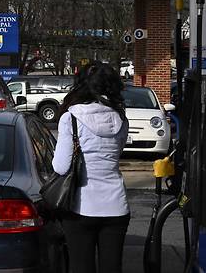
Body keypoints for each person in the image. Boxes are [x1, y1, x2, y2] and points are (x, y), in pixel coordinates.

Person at [52, 62, 129, 273]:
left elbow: (61, 167)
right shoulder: (121, 119)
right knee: (112, 267)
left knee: (80, 266)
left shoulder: (71, 118)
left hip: (81, 205)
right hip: (116, 205)